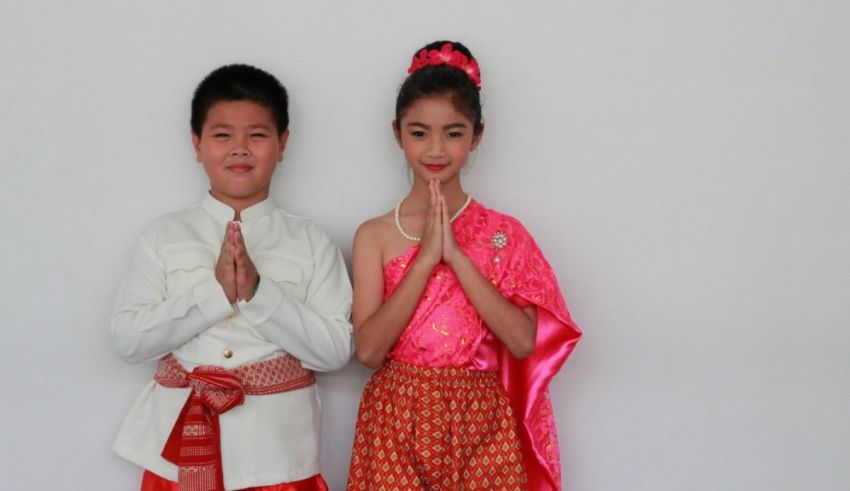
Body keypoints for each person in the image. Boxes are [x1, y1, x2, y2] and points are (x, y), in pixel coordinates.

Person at [346, 41, 582, 491]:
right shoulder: (373, 236)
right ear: (397, 134)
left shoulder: (503, 234)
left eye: (453, 133)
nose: (436, 148)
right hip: (395, 416)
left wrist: (456, 256)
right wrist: (424, 262)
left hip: (481, 418)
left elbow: (521, 340)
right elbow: (369, 352)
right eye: (419, 133)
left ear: (477, 136)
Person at [111, 64, 353, 491]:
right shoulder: (163, 236)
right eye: (223, 135)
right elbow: (129, 341)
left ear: (282, 144)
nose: (240, 148)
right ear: (197, 144)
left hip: (280, 461)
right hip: (178, 458)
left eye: (257, 135)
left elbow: (335, 351)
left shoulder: (311, 240)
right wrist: (214, 294)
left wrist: (259, 294)